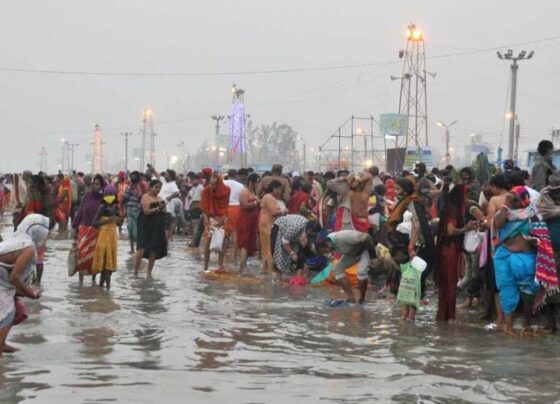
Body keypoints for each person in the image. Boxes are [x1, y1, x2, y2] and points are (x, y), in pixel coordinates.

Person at [493, 186, 540, 335]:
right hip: (504, 257)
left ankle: (526, 324)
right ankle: (509, 326)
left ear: (524, 199)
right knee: (507, 290)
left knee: (528, 292)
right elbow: (497, 224)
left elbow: (542, 236)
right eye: (511, 196)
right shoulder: (504, 213)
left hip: (527, 257)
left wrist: (535, 241)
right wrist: (506, 205)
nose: (513, 199)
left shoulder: (533, 214)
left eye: (516, 197)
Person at [0, 214, 49, 356]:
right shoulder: (27, 248)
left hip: (3, 283)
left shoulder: (17, 239)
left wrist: (25, 290)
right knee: (6, 313)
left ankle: (2, 343)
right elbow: (14, 278)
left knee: (17, 308)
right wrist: (31, 293)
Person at [435, 183, 476, 322]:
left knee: (446, 284)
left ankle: (443, 317)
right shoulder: (452, 209)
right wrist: (466, 228)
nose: (466, 198)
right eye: (465, 194)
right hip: (449, 249)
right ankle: (449, 317)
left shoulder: (450, 207)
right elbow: (451, 231)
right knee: (450, 283)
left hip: (447, 249)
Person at [317, 230, 376, 304]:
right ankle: (351, 298)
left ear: (328, 245)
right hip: (353, 252)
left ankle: (362, 299)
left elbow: (367, 237)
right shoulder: (328, 242)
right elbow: (327, 253)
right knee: (337, 270)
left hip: (365, 249)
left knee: (361, 272)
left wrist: (373, 257)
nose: (324, 253)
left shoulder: (343, 237)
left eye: (324, 251)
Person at [73, 174, 104, 285]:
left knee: (94, 256)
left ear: (101, 186)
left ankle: (93, 280)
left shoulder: (104, 199)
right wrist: (74, 227)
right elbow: (80, 212)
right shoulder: (86, 196)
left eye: (98, 184)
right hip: (84, 229)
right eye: (94, 184)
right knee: (81, 254)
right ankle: (80, 282)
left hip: (97, 231)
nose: (95, 186)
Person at [134, 180, 168, 276]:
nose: (158, 190)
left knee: (154, 249)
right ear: (150, 187)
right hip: (145, 226)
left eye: (159, 188)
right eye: (156, 187)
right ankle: (135, 271)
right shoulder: (145, 197)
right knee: (141, 248)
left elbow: (164, 212)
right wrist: (157, 209)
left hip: (157, 227)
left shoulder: (160, 199)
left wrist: (163, 209)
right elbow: (146, 212)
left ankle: (149, 273)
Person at [200, 173, 231, 272]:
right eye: (211, 184)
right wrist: (206, 220)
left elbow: (226, 206)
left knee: (223, 242)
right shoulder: (206, 190)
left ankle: (221, 266)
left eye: (215, 184)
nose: (212, 186)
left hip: (223, 217)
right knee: (208, 242)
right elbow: (204, 207)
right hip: (210, 217)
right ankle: (206, 267)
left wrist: (224, 218)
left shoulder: (226, 190)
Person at [92, 185, 121, 288]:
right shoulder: (102, 207)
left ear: (114, 195)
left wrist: (118, 219)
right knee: (104, 261)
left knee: (109, 262)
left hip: (112, 237)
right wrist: (107, 220)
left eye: (110, 194)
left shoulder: (116, 207)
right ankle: (105, 286)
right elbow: (94, 222)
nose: (108, 196)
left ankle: (104, 287)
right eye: (106, 194)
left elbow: (119, 224)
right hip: (103, 236)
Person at [259, 180, 287, 272]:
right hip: (267, 225)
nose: (280, 192)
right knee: (268, 249)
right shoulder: (269, 197)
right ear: (274, 188)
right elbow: (274, 212)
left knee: (266, 249)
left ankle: (264, 270)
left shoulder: (269, 197)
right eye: (278, 189)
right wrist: (283, 211)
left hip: (267, 224)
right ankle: (270, 272)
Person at [237, 173, 260, 273]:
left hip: (253, 220)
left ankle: (243, 265)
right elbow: (243, 205)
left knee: (250, 243)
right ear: (251, 182)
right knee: (244, 243)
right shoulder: (244, 192)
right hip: (245, 219)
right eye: (256, 182)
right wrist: (255, 203)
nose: (258, 185)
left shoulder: (254, 192)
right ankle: (242, 266)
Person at [223, 169, 245, 258]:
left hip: (224, 208)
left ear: (228, 175)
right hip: (237, 209)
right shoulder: (240, 185)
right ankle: (233, 255)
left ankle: (223, 255)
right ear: (236, 176)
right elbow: (242, 198)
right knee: (235, 233)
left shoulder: (223, 183)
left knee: (224, 233)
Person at [123, 171, 145, 254]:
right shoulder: (131, 186)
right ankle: (134, 249)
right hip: (133, 209)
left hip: (136, 209)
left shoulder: (139, 186)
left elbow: (126, 197)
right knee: (131, 229)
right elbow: (125, 197)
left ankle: (136, 249)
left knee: (134, 230)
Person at [187, 174, 204, 248]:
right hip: (193, 208)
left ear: (197, 179)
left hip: (197, 207)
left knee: (196, 226)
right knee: (195, 226)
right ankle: (194, 242)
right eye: (191, 180)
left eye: (193, 179)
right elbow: (189, 198)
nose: (192, 181)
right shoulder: (192, 188)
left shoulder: (201, 188)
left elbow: (202, 198)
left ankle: (193, 243)